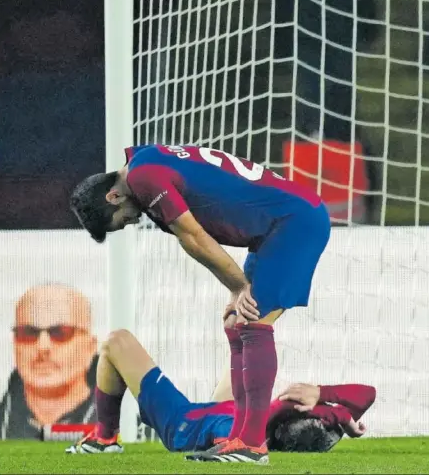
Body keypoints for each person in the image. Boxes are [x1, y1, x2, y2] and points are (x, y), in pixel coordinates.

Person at [70, 143, 331, 463]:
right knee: (238, 323)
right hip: (276, 226)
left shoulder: (144, 178)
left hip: (293, 222)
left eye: (121, 220)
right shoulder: (143, 159)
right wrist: (237, 289)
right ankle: (238, 438)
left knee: (253, 322)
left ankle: (251, 445)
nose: (131, 222)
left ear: (113, 196)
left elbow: (192, 235)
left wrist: (238, 287)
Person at [65, 326, 376, 462]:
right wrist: (337, 408)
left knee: (116, 341)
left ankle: (104, 440)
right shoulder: (272, 422)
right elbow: (367, 394)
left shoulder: (253, 427)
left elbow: (279, 407)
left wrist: (342, 415)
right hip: (227, 409)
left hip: (184, 423)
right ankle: (237, 328)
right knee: (248, 338)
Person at [0, 283, 98, 439]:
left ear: (90, 347)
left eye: (60, 333)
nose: (42, 347)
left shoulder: (132, 430)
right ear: (15, 344)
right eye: (28, 333)